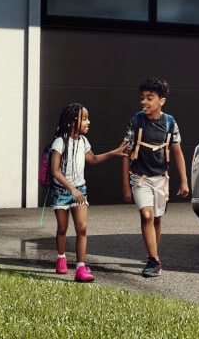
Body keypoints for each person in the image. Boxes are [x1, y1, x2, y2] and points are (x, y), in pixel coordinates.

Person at [46, 103, 127, 282]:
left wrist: (115, 152)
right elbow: (55, 171)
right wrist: (71, 189)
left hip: (80, 190)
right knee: (62, 228)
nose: (88, 122)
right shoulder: (60, 142)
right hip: (61, 192)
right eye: (84, 119)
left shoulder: (83, 142)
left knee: (82, 228)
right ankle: (61, 258)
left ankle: (81, 268)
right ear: (73, 122)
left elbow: (93, 159)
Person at [121, 77, 190, 278]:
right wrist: (126, 184)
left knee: (157, 218)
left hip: (161, 179)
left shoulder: (169, 122)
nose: (144, 102)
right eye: (142, 98)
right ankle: (153, 260)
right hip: (139, 178)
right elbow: (125, 154)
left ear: (162, 100)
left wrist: (184, 180)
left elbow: (177, 152)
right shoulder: (136, 121)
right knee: (147, 215)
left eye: (149, 98)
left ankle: (153, 255)